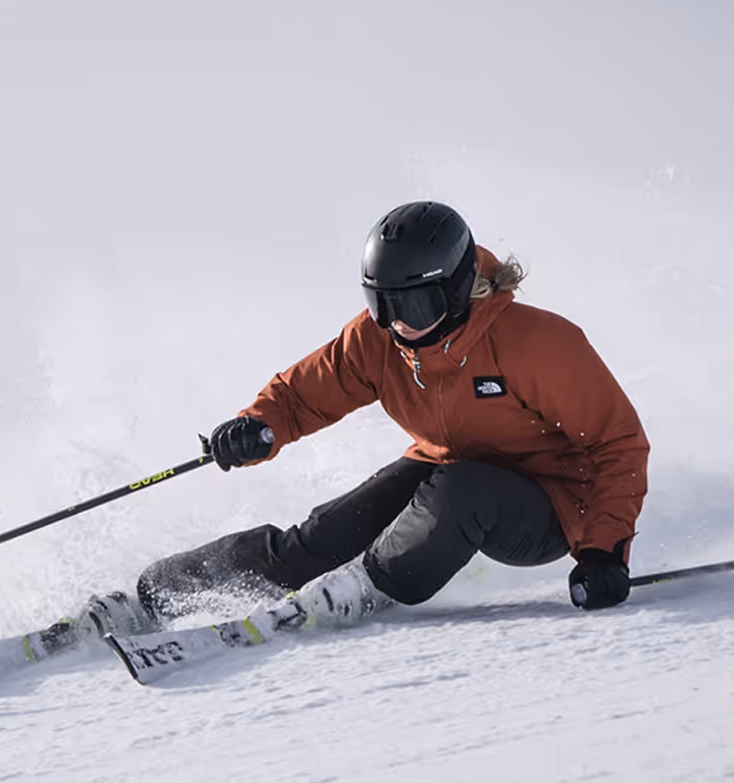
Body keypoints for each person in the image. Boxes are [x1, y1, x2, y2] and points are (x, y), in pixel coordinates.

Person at [83, 200, 649, 637]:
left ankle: (364, 587)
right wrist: (258, 425)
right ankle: (155, 596)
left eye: (415, 306)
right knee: (318, 540)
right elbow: (304, 393)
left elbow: (618, 445)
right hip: (444, 469)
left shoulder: (538, 343)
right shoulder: (380, 342)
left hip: (548, 505)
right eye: (384, 304)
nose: (398, 323)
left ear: (454, 292)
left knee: (463, 489)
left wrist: (603, 552)